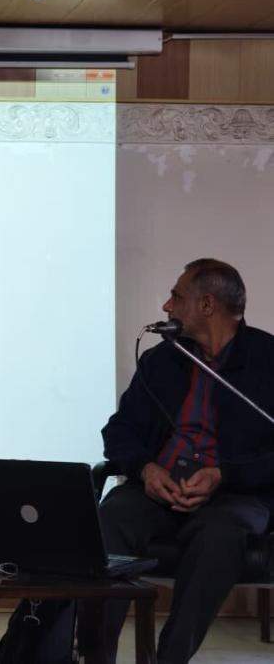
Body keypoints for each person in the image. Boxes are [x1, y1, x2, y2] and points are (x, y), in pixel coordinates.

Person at [95, 258, 273, 663]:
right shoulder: (162, 359)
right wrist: (146, 468)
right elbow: (118, 432)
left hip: (235, 496)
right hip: (159, 489)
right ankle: (93, 654)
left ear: (207, 305)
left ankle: (170, 658)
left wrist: (223, 475)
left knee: (219, 536)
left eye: (176, 297)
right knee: (110, 518)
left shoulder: (268, 360)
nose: (166, 307)